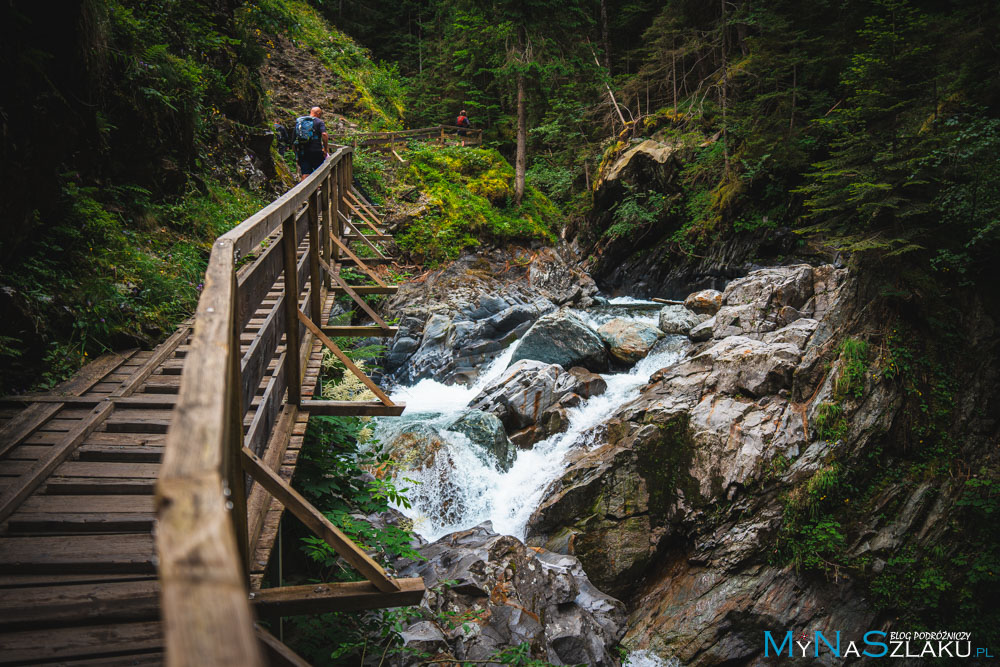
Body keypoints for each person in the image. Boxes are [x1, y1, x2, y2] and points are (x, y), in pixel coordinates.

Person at [293, 107, 328, 181]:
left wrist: (296, 154)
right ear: (318, 113)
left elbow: (293, 140)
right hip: (316, 151)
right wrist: (325, 149)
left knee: (305, 173)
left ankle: (303, 191)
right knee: (320, 172)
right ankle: (321, 190)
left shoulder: (300, 122)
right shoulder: (319, 122)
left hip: (303, 151)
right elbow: (324, 134)